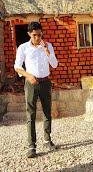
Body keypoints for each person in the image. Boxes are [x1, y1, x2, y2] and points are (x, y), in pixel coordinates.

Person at [14, 22, 58, 158]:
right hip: (31, 83)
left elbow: (55, 65)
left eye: (39, 35)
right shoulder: (23, 48)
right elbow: (17, 67)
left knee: (47, 112)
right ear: (29, 34)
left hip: (45, 82)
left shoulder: (48, 46)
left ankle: (47, 140)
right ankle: (32, 146)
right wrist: (28, 76)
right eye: (34, 35)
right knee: (31, 114)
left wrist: (47, 51)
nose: (38, 38)